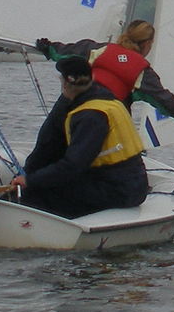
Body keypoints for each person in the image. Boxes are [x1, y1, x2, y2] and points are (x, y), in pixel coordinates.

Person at [11, 55, 149, 218]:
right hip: (131, 182)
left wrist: (30, 180)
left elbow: (73, 166)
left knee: (35, 194)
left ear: (65, 83)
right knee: (55, 185)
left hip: (119, 189)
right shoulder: (109, 101)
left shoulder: (89, 116)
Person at [35, 19, 174, 130]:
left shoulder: (98, 49)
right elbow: (167, 103)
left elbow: (63, 52)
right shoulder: (143, 73)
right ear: (148, 43)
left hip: (69, 110)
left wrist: (47, 47)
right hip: (103, 122)